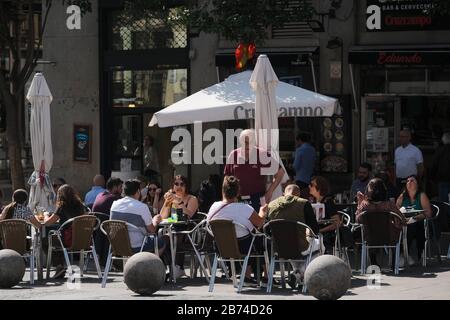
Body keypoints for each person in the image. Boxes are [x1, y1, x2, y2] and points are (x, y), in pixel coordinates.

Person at [207, 175, 268, 285]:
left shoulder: (214, 206)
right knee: (260, 238)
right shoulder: (244, 208)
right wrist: (262, 212)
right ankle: (266, 275)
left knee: (250, 237)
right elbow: (259, 223)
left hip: (220, 248)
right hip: (243, 248)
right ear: (238, 192)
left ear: (223, 191)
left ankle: (247, 275)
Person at [267, 184, 319, 288]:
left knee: (294, 250)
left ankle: (297, 276)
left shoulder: (271, 205)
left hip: (278, 247)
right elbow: (315, 230)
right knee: (319, 243)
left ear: (283, 193)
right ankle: (299, 274)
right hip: (299, 246)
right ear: (298, 194)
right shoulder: (304, 203)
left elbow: (268, 231)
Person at [224, 129, 284, 211]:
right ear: (240, 142)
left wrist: (270, 191)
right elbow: (226, 178)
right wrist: (225, 198)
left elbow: (280, 172)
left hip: (257, 197)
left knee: (258, 223)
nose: (247, 144)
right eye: (245, 142)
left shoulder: (262, 154)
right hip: (237, 197)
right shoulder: (233, 155)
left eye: (250, 141)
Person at [355, 178, 406, 267]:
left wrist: (360, 202)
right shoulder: (389, 204)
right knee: (397, 231)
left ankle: (373, 261)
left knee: (368, 233)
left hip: (370, 237)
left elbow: (358, 220)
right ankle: (394, 262)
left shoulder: (364, 205)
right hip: (388, 236)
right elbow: (401, 218)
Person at [110, 179, 165, 255]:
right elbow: (152, 230)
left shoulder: (114, 204)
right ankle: (151, 265)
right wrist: (155, 220)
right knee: (162, 242)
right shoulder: (142, 206)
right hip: (137, 246)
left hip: (117, 246)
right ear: (138, 191)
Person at [44, 184, 87, 279]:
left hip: (68, 240)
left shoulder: (62, 206)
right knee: (56, 237)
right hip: (82, 239)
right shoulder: (80, 205)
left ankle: (59, 266)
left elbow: (47, 223)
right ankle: (60, 266)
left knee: (47, 238)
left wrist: (46, 215)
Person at [160, 175, 199, 278]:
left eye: (182, 184)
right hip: (174, 230)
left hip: (189, 232)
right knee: (161, 239)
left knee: (168, 238)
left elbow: (189, 215)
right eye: (176, 184)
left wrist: (180, 202)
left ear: (187, 186)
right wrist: (167, 201)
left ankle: (177, 266)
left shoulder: (192, 198)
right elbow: (163, 216)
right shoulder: (172, 199)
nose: (179, 186)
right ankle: (170, 266)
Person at [396, 175, 432, 265]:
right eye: (408, 181)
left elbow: (428, 213)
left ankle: (405, 254)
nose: (409, 183)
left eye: (412, 181)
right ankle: (403, 254)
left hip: (419, 222)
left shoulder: (421, 195)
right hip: (404, 222)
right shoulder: (402, 196)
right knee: (401, 227)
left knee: (412, 226)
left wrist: (415, 217)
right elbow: (396, 211)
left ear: (417, 184)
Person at [91, 177, 123, 266]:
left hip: (96, 230)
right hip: (106, 230)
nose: (122, 190)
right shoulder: (115, 198)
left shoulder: (100, 195)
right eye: (120, 187)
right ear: (115, 187)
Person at [309, 176, 340, 254]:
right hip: (315, 233)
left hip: (327, 236)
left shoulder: (328, 202)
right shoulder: (313, 201)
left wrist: (320, 231)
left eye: (312, 185)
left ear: (319, 188)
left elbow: (337, 223)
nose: (309, 186)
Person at [293, 132, 316, 198]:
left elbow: (296, 166)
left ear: (300, 140)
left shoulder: (300, 150)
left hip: (300, 178)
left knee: (300, 197)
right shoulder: (313, 150)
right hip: (310, 178)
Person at [430, 132, 450, 203]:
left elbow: (434, 164)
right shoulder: (440, 150)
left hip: (442, 179)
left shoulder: (440, 150)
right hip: (443, 179)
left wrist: (432, 177)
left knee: (444, 202)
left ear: (443, 140)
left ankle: (445, 213)